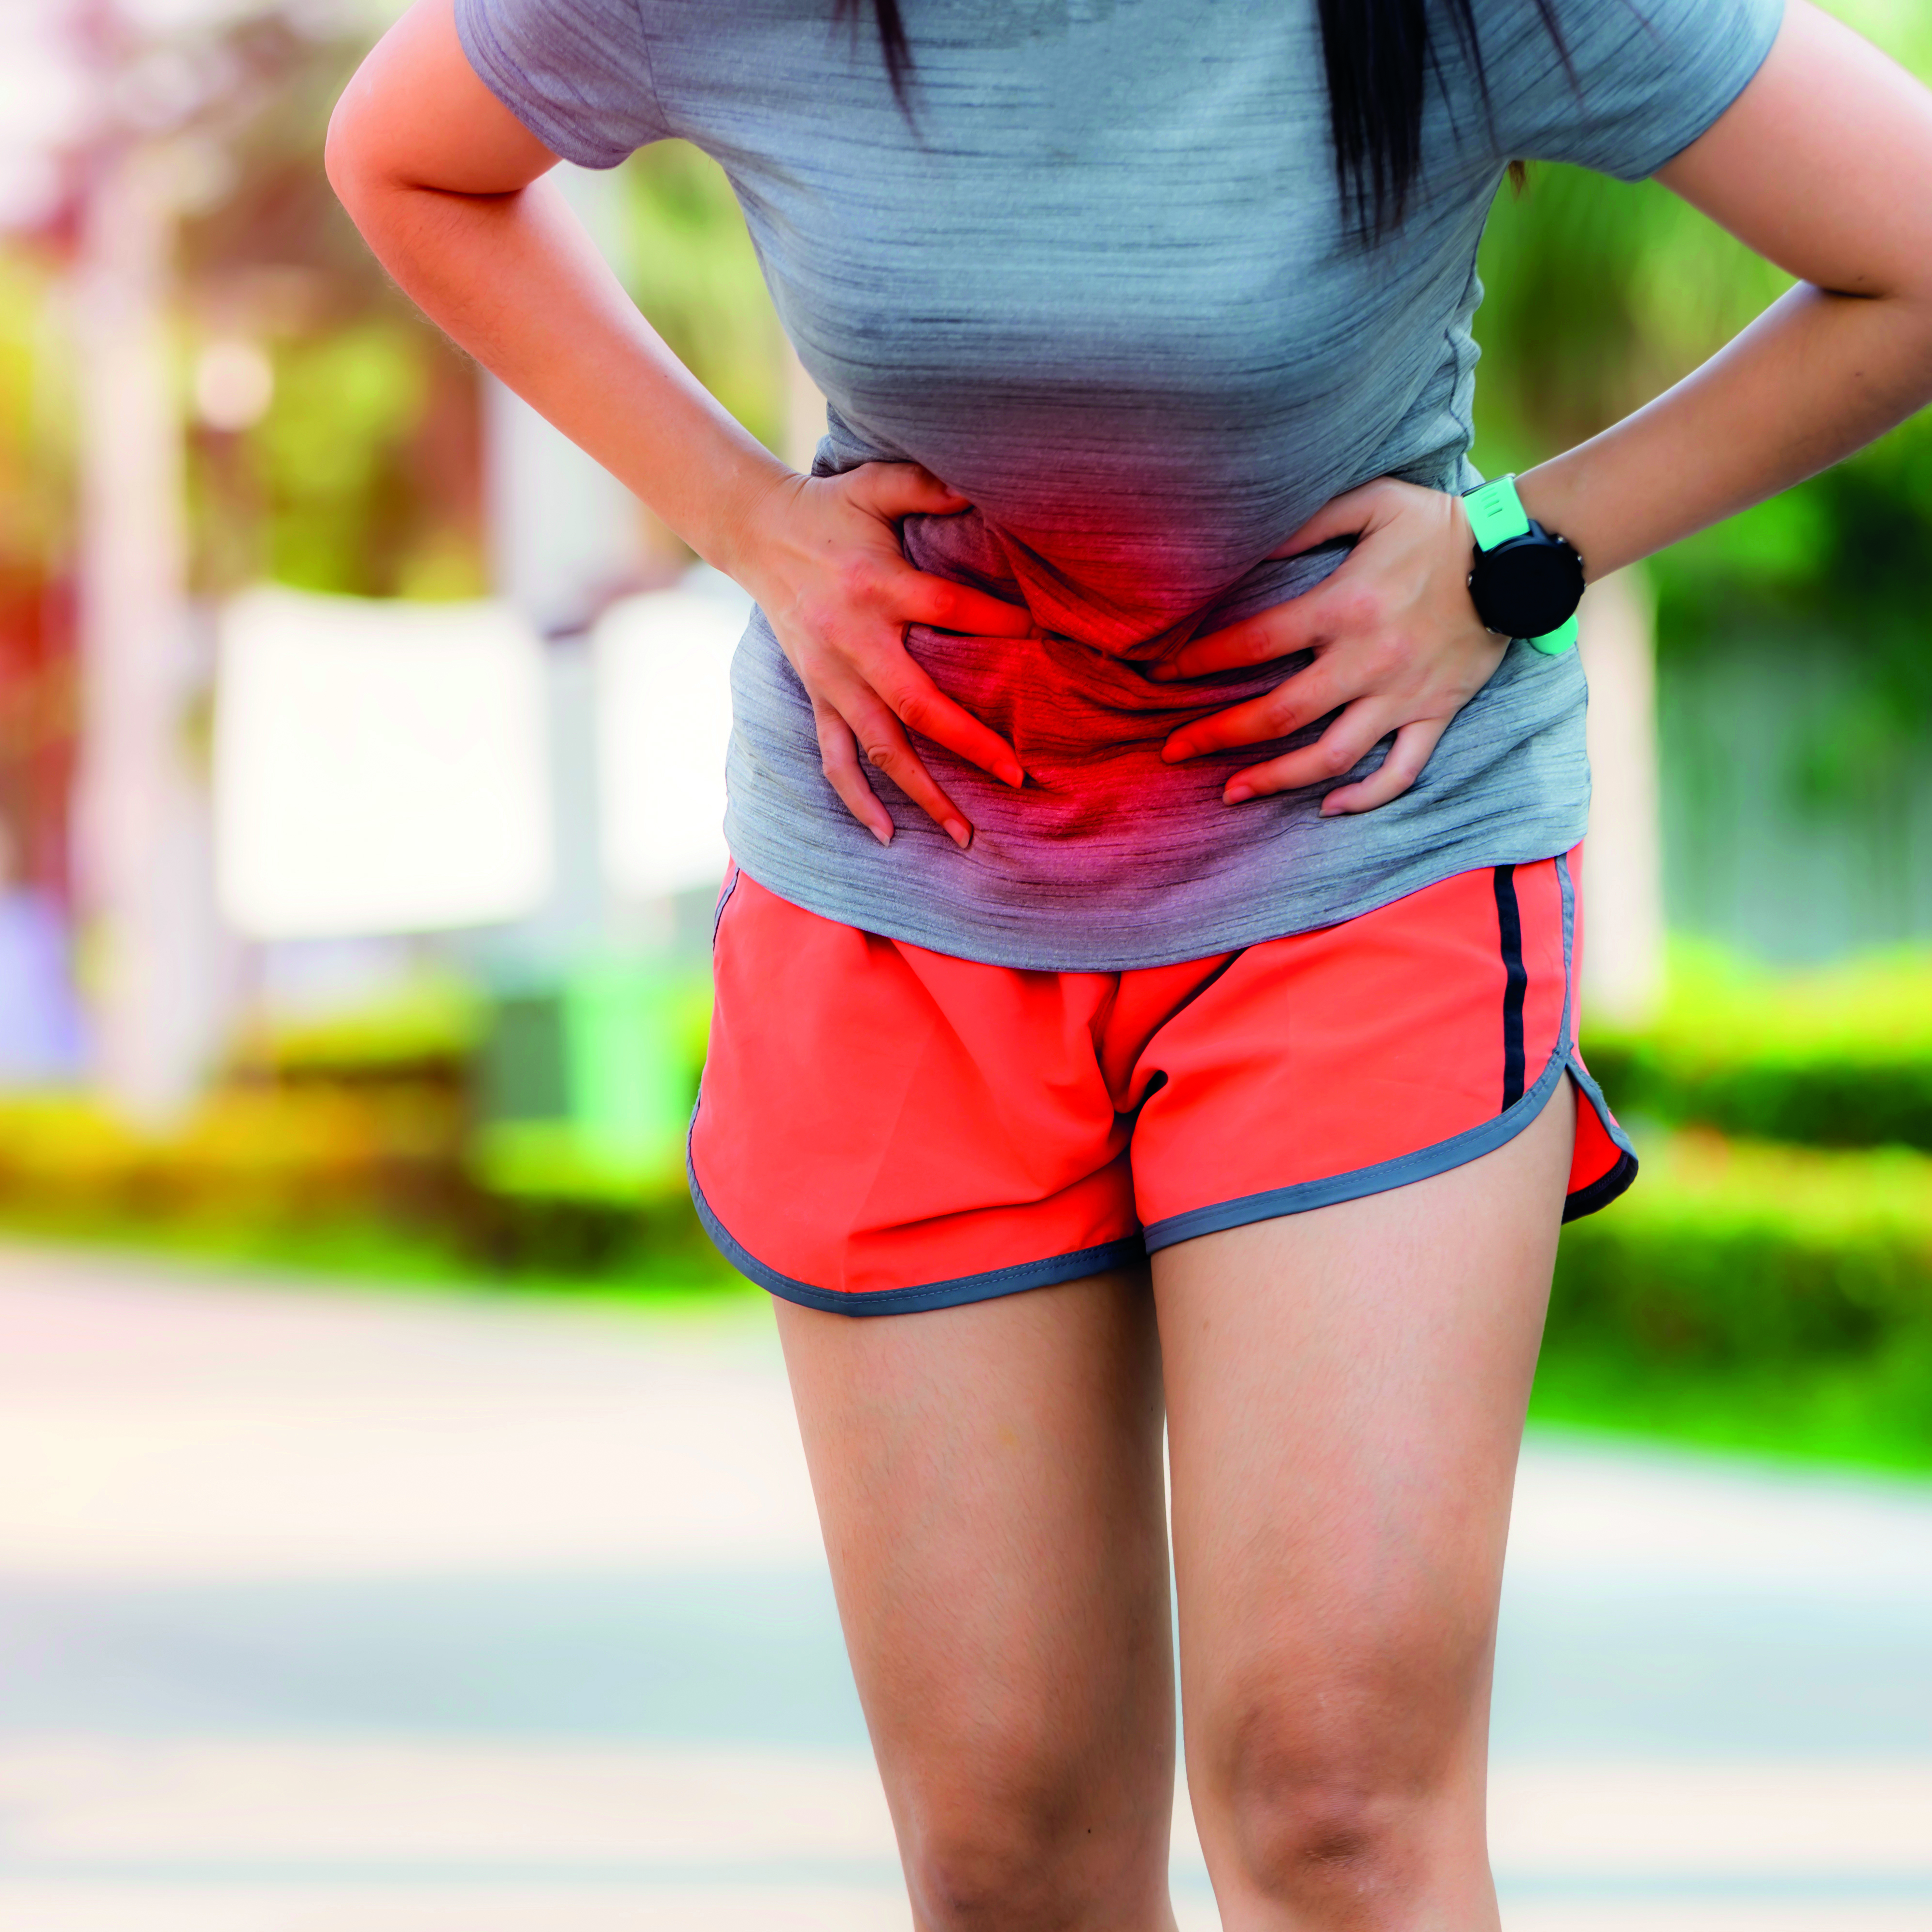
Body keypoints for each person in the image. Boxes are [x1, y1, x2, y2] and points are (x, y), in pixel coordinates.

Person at [327, 0, 1932, 1921]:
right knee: (1010, 1857)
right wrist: (747, 517)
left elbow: (1904, 245)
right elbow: (407, 157)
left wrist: (1518, 550)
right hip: (908, 894)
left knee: (1337, 1810)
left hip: (1359, 866)